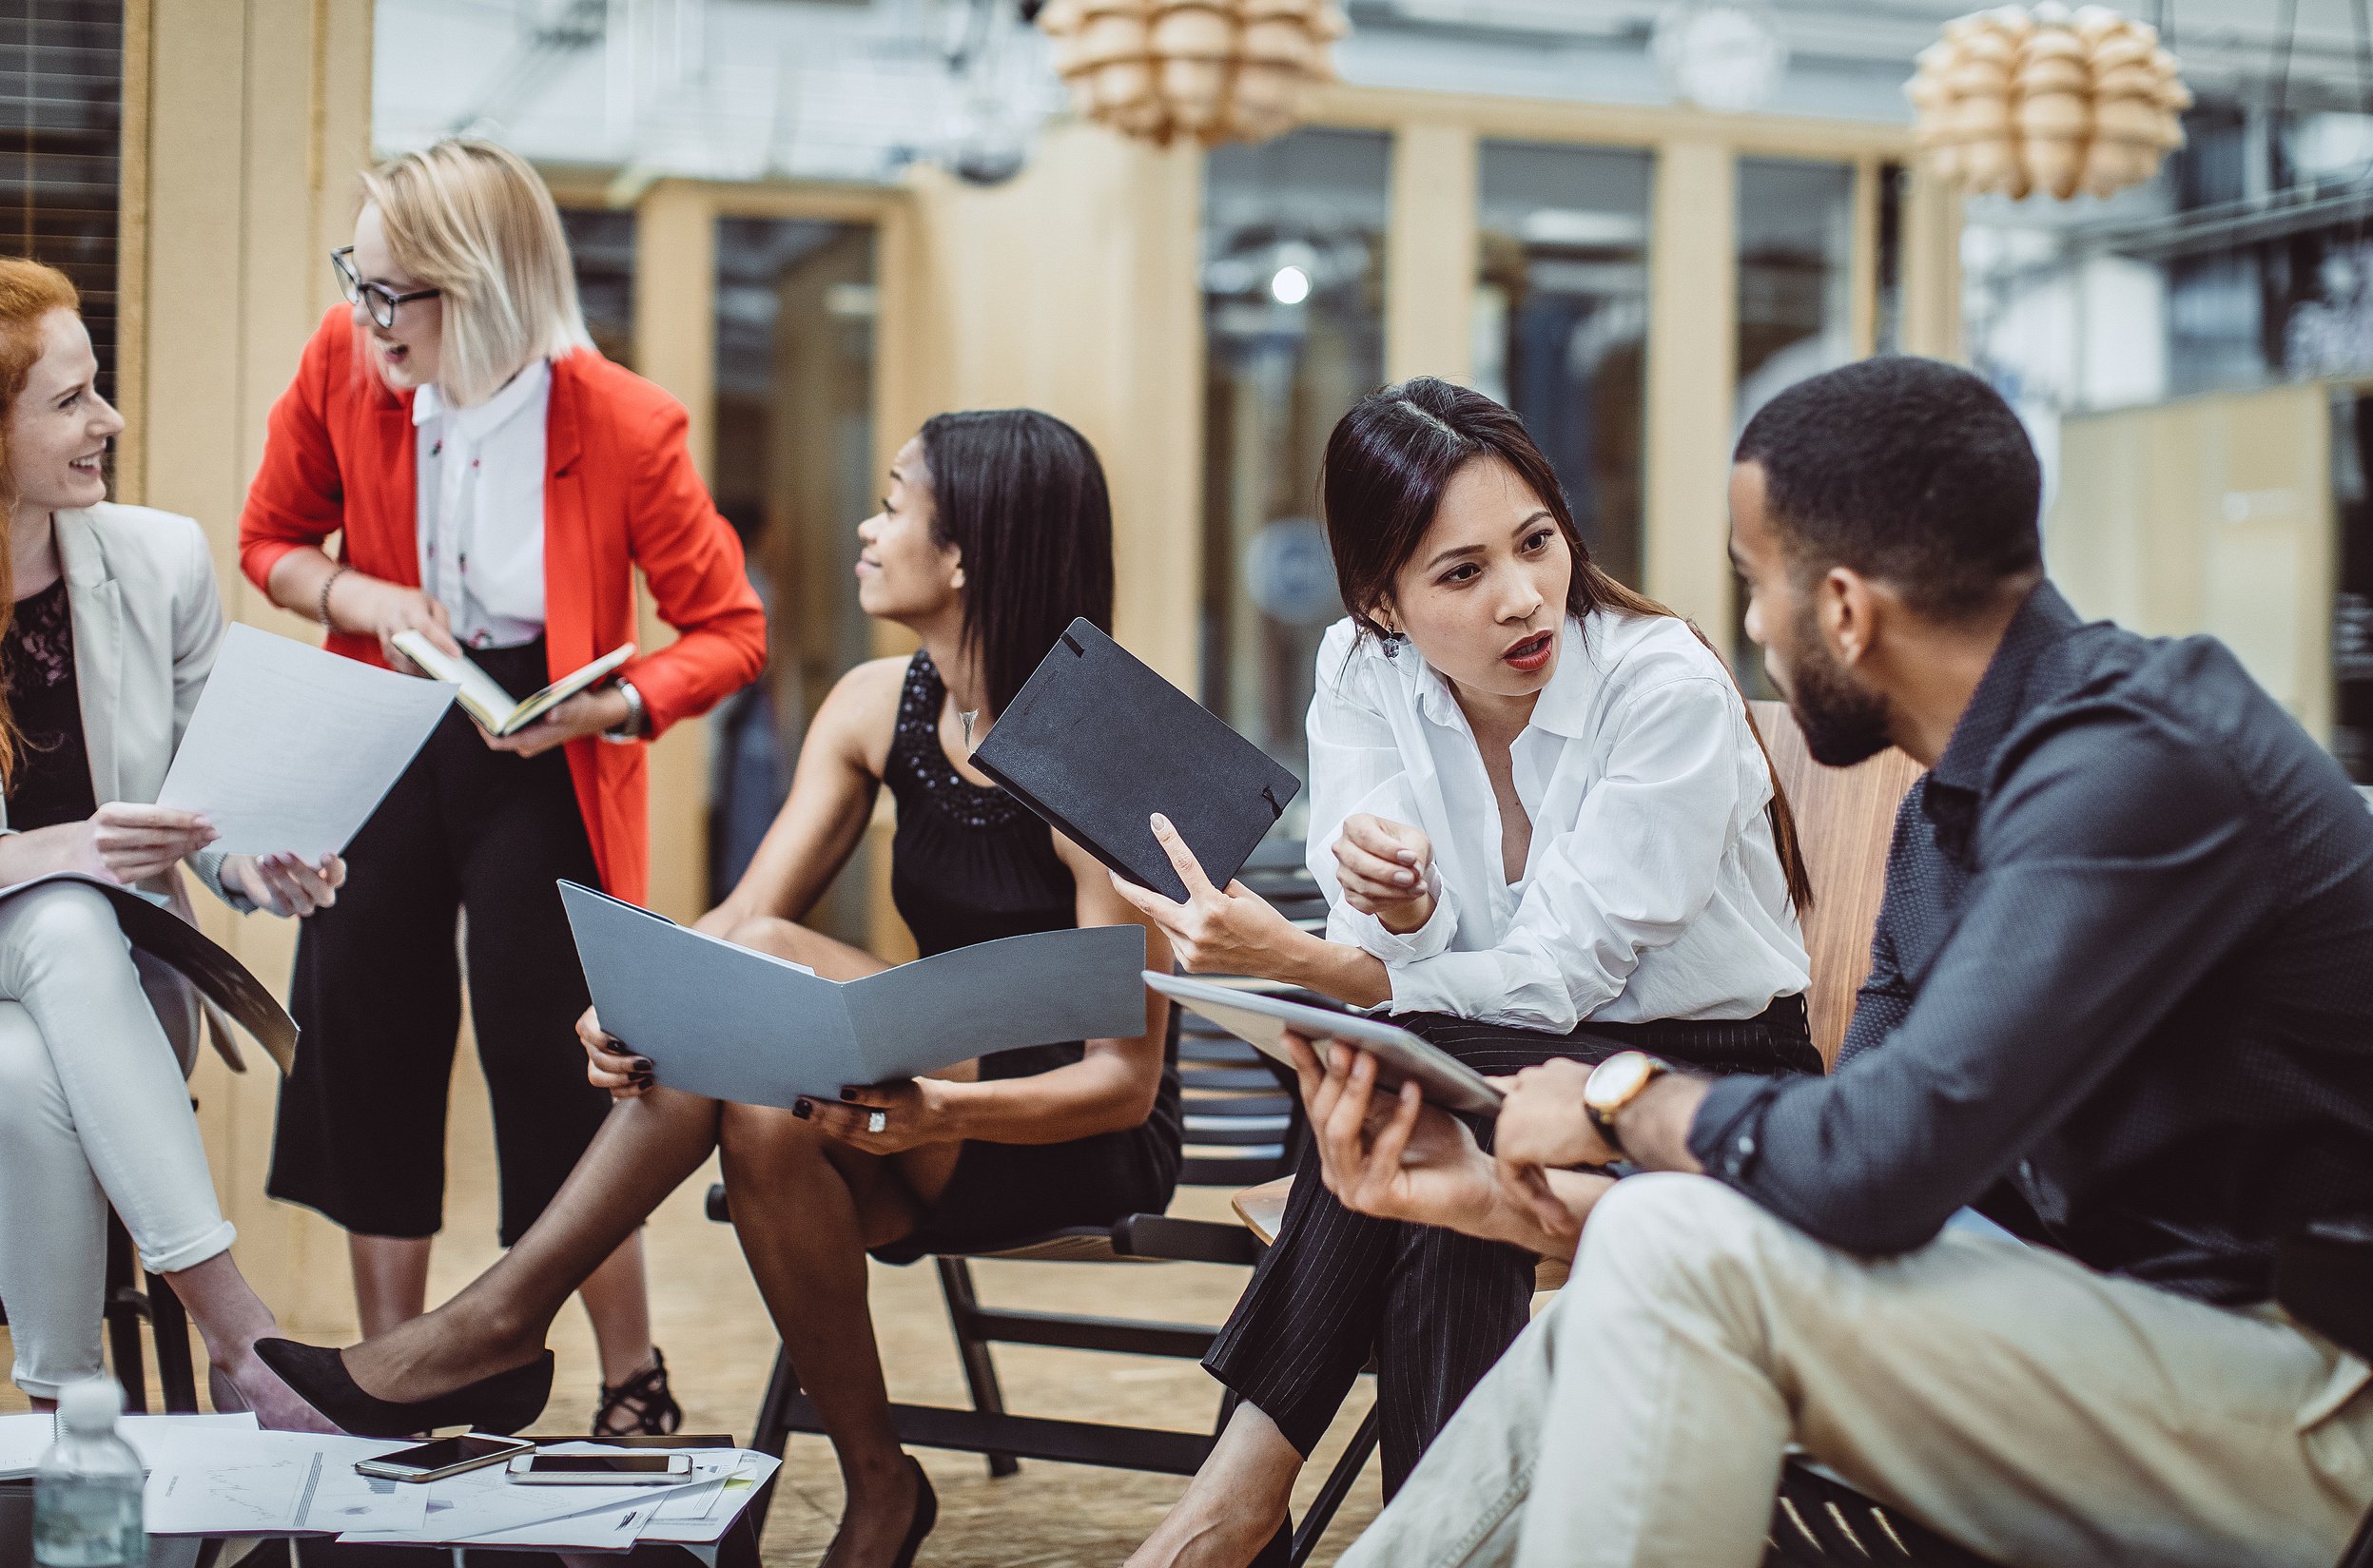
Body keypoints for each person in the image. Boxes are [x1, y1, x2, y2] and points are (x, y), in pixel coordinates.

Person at [1296, 356, 2373, 1568]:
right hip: (2129, 1333)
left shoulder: (2136, 764)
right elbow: (1846, 1187)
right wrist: (1499, 1202)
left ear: (1845, 610)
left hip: (2318, 1394)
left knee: (1675, 1252)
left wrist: (1618, 1097)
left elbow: (1873, 1162)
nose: (1747, 628)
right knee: (1652, 1260)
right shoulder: (1946, 822)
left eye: (1757, 586)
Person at [255, 408, 1180, 1568]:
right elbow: (738, 918)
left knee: (775, 972)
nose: (864, 524)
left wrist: (942, 1110)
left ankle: (500, 1321)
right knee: (754, 1095)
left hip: (1054, 1127)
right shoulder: (873, 704)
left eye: (893, 502)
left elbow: (1122, 1084)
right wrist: (641, 1003)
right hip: (916, 1101)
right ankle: (881, 1485)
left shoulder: (1108, 748)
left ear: (964, 556)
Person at [1116, 378, 1821, 1568]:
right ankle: (1371, 1529)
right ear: (1376, 603)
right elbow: (1396, 936)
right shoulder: (1360, 669)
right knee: (1432, 1135)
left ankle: (1229, 1503)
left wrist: (1322, 967)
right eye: (1459, 574)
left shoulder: (1660, 688)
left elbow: (1555, 975)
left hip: (1706, 1071)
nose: (1521, 597)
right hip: (1506, 1064)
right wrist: (1397, 909)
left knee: (1410, 1088)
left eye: (1535, 542)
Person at [238, 140, 767, 1434]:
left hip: (546, 743)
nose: (365, 318)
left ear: (477, 283)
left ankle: (628, 1376)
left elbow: (728, 627)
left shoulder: (625, 423)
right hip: (386, 717)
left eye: (390, 292)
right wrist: (357, 592)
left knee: (568, 1054)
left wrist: (622, 700)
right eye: (354, 283)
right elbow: (271, 543)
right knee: (367, 1027)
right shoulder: (341, 365)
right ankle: (394, 1370)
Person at [0, 258, 346, 1424]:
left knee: (19, 1069)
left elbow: (209, 796)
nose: (109, 420)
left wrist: (256, 861)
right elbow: (79, 862)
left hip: (110, 998)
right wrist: (64, 854)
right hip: (59, 942)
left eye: (97, 387)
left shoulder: (155, 561)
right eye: (68, 400)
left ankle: (63, 1419)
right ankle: (238, 1332)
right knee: (57, 912)